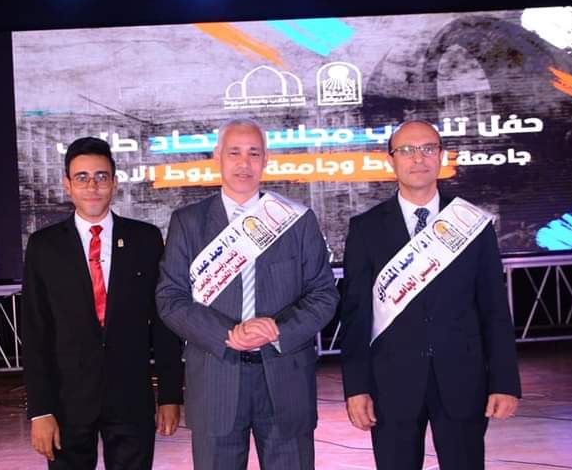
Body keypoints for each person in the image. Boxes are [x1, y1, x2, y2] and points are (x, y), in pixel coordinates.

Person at [156, 118, 339, 469]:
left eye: (254, 153)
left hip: (285, 379)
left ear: (266, 159)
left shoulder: (297, 220)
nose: (244, 163)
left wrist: (278, 329)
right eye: (234, 152)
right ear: (217, 157)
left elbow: (323, 295)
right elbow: (171, 299)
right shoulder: (188, 222)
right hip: (215, 379)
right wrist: (226, 333)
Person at [340, 120, 521, 469]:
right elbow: (356, 316)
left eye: (427, 149)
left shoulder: (472, 223)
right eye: (406, 150)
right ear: (391, 160)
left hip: (463, 380)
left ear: (441, 156)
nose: (418, 158)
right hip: (391, 384)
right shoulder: (366, 229)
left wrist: (505, 382)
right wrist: (356, 387)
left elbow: (494, 310)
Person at [21, 137, 183, 469]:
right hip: (66, 405)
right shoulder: (43, 246)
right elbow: (36, 334)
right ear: (67, 184)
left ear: (115, 182)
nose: (92, 186)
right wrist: (40, 410)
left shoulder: (145, 239)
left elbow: (163, 323)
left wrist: (170, 395)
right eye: (82, 177)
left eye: (101, 176)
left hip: (131, 401)